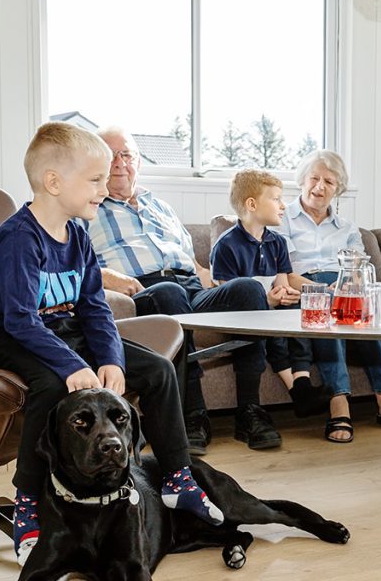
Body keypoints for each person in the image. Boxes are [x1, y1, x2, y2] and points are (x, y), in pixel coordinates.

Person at [0, 122, 225, 566]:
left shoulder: (81, 238)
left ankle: (178, 478)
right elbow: (20, 319)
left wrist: (111, 360)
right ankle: (27, 501)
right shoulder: (18, 239)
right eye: (94, 180)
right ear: (53, 182)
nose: (104, 190)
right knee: (51, 387)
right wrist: (71, 365)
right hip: (8, 336)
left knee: (159, 371)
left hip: (63, 330)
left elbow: (94, 309)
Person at [86, 128, 319, 453]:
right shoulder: (89, 208)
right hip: (145, 290)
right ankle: (194, 415)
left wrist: (223, 285)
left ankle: (249, 411)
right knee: (169, 292)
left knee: (247, 289)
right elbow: (76, 263)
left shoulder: (161, 207)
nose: (120, 162)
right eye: (112, 155)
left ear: (137, 161)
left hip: (190, 286)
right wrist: (110, 278)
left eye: (126, 154)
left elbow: (194, 264)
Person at [273, 150, 381, 443]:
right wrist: (324, 291)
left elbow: (359, 271)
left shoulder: (348, 229)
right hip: (305, 289)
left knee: (368, 311)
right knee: (329, 311)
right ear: (302, 181)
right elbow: (283, 273)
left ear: (337, 189)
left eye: (329, 181)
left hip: (342, 288)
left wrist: (345, 291)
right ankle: (338, 402)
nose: (320, 186)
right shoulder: (282, 219)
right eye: (314, 178)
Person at [209, 169, 330, 447]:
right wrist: (270, 301)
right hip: (242, 313)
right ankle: (298, 390)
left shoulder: (277, 242)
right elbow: (229, 293)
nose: (284, 205)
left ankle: (301, 383)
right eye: (276, 199)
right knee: (272, 326)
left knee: (296, 313)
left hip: (272, 308)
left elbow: (283, 283)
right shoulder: (227, 245)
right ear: (251, 205)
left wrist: (287, 296)